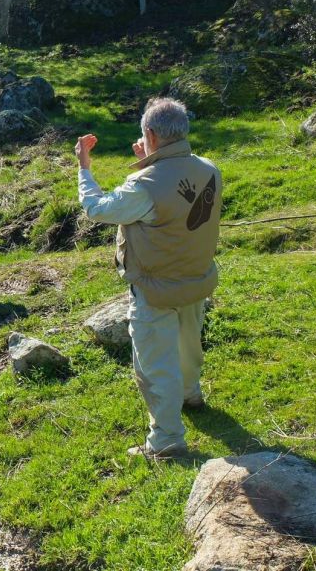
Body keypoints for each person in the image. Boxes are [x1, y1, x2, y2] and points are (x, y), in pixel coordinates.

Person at [74, 97, 222, 459]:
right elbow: (175, 196)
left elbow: (97, 209)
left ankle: (167, 441)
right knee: (189, 345)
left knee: (156, 367)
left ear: (151, 135)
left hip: (155, 289)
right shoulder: (210, 170)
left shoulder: (143, 186)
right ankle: (192, 394)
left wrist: (84, 167)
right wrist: (149, 160)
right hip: (197, 279)